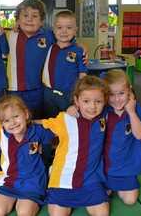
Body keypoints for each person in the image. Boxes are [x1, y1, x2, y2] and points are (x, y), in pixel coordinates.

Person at [42, 75, 109, 216]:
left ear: (105, 102)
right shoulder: (65, 118)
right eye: (86, 101)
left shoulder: (104, 117)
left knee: (103, 213)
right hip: (63, 179)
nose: (92, 106)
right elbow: (40, 124)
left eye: (98, 101)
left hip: (90, 180)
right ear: (76, 101)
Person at [0, 95, 55, 216]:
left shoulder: (39, 130)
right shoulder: (0, 133)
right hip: (11, 181)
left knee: (24, 213)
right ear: (2, 124)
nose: (13, 123)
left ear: (26, 114)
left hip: (33, 183)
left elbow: (60, 131)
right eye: (7, 120)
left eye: (16, 116)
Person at [103, 69, 141, 205]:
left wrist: (131, 112)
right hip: (103, 168)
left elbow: (140, 135)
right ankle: (108, 185)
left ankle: (118, 186)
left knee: (130, 200)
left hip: (126, 168)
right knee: (100, 198)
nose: (117, 99)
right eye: (111, 94)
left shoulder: (137, 110)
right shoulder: (103, 110)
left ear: (130, 91)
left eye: (121, 93)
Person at [6, 0, 55, 119]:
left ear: (42, 21)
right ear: (17, 20)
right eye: (25, 15)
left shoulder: (49, 35)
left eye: (35, 16)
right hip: (13, 90)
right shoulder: (9, 34)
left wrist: (82, 45)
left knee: (36, 120)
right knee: (16, 121)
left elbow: (68, 41)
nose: (29, 19)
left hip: (38, 90)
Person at [42, 10, 87, 117]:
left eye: (69, 28)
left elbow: (83, 75)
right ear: (53, 30)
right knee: (51, 123)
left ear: (76, 30)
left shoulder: (79, 50)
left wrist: (79, 95)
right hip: (49, 94)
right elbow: (36, 27)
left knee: (69, 123)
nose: (64, 31)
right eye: (59, 27)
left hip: (69, 96)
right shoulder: (49, 45)